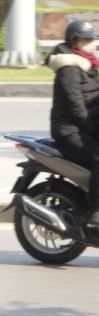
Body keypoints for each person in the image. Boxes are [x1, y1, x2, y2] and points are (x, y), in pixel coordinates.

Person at [46, 19, 99, 227]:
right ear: (73, 42)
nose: (89, 43)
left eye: (91, 39)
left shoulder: (88, 64)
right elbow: (77, 108)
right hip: (68, 128)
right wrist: (93, 130)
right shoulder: (69, 68)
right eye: (84, 39)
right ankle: (96, 212)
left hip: (85, 122)